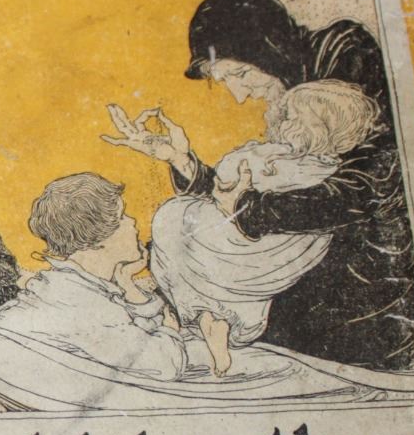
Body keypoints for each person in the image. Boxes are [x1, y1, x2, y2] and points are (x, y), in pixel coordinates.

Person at [104, 0, 414, 373]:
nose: (240, 95)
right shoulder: (291, 90)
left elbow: (362, 189)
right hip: (301, 274)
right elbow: (268, 185)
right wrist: (182, 160)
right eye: (227, 83)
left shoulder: (344, 58)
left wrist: (245, 210)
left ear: (267, 46)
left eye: (239, 73)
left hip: (364, 286)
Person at [144, 81, 382, 375]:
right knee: (181, 221)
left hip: (264, 251)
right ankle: (212, 320)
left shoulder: (308, 169)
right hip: (260, 246)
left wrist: (241, 186)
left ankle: (209, 318)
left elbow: (239, 194)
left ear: (319, 127)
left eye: (294, 118)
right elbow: (231, 192)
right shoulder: (310, 164)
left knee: (176, 218)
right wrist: (180, 159)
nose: (285, 123)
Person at [0, 173, 202, 382]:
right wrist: (170, 331)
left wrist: (128, 285)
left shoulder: (73, 285)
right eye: (122, 216)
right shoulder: (77, 299)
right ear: (97, 238)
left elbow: (135, 331)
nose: (132, 221)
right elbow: (164, 364)